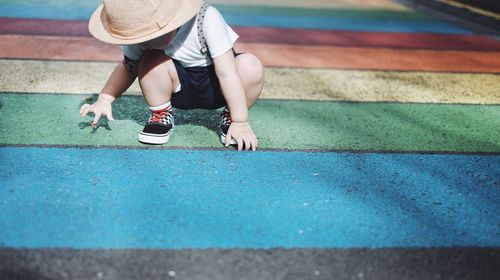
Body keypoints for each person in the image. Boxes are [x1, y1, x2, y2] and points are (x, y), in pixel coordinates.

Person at [80, 0, 264, 151]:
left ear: (171, 21)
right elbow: (128, 67)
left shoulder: (206, 18)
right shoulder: (139, 31)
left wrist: (241, 121)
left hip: (219, 88)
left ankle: (232, 117)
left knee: (250, 66)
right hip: (177, 89)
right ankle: (160, 115)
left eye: (151, 36)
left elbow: (227, 73)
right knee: (150, 59)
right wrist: (104, 98)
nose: (144, 42)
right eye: (139, 38)